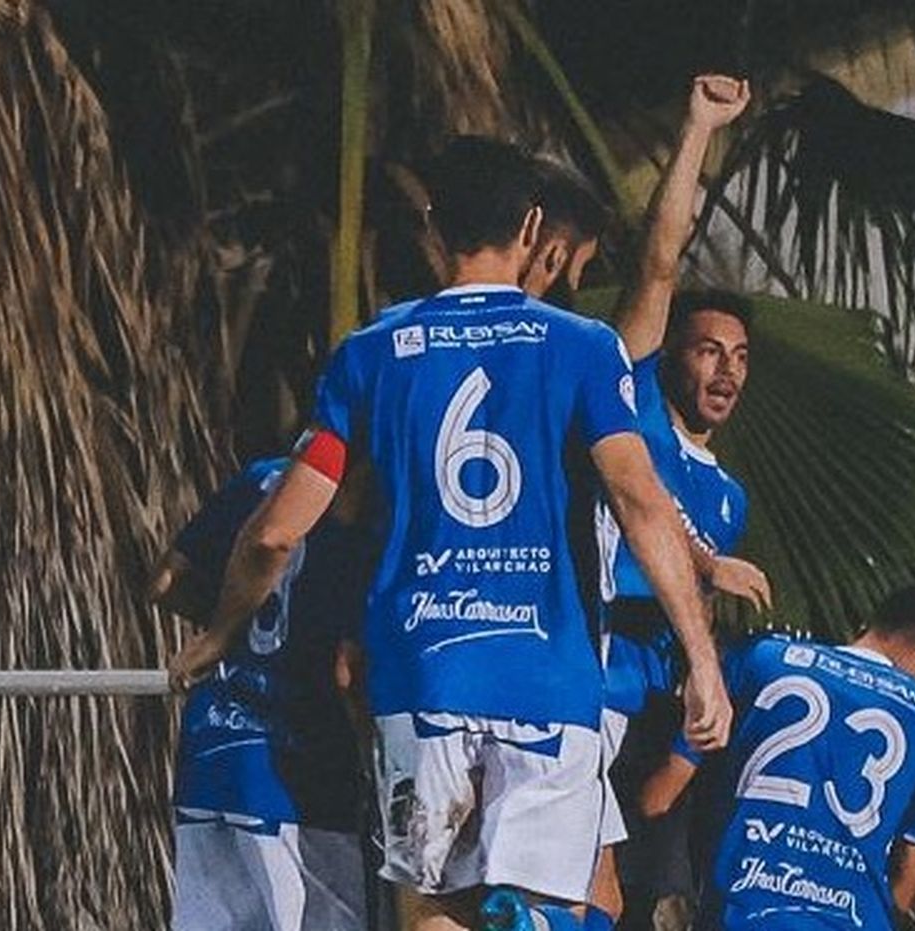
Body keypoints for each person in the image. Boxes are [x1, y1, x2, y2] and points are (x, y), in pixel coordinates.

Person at [168, 136, 733, 931]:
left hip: (421, 680)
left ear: (432, 228)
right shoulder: (580, 347)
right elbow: (640, 501)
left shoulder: (370, 353)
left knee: (435, 908)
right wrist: (702, 660)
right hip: (547, 680)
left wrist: (220, 631)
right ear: (534, 226)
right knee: (557, 902)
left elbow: (274, 532)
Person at [585, 74, 769, 931]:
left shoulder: (728, 492)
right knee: (578, 895)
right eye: (706, 350)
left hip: (668, 711)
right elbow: (660, 261)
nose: (725, 368)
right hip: (594, 689)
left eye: (738, 355)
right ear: (670, 360)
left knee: (662, 906)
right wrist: (699, 126)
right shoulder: (633, 424)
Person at [641, 587, 915, 931]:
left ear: (871, 624)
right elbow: (909, 878)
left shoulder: (761, 658)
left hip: (742, 913)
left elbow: (661, 795)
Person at [151, 457, 371, 931]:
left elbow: (166, 582)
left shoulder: (261, 477)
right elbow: (346, 672)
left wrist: (229, 633)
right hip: (303, 770)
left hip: (213, 756)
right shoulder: (365, 494)